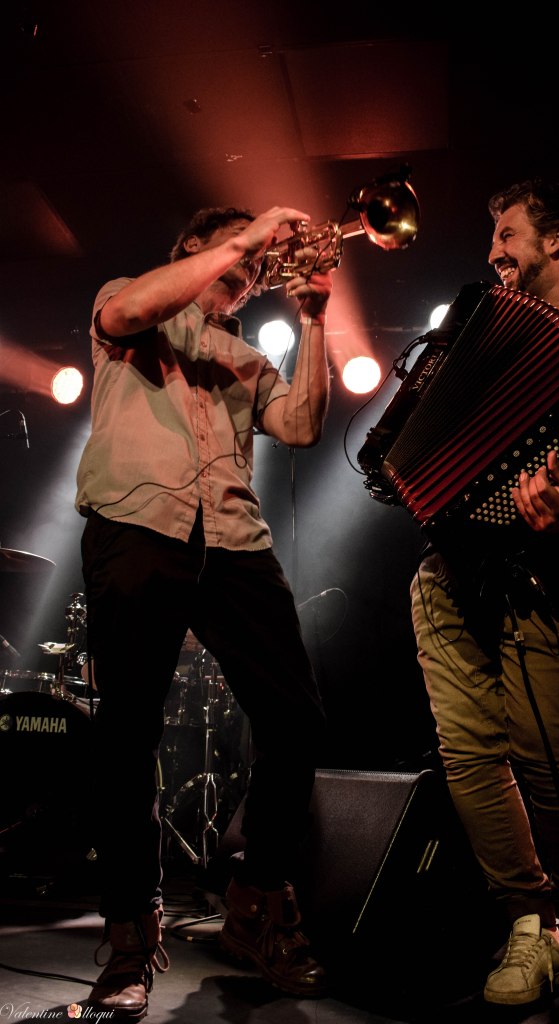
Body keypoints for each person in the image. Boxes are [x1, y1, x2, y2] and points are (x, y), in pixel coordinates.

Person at [74, 203, 333, 1019]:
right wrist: (247, 236)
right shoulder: (130, 296)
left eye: (254, 266)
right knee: (127, 734)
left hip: (232, 539)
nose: (250, 271)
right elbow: (129, 312)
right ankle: (129, 936)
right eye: (237, 255)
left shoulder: (247, 356)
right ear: (194, 248)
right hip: (136, 523)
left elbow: (301, 424)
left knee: (296, 720)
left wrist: (313, 319)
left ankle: (255, 900)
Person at [409, 180, 559, 1016]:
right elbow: (425, 429)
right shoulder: (478, 330)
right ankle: (526, 922)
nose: (492, 252)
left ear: (556, 240)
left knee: (553, 758)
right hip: (448, 573)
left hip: (549, 575)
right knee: (470, 756)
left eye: (507, 234)